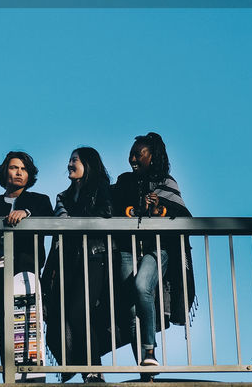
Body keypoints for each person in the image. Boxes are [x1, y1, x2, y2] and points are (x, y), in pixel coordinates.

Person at [109, 132, 195, 369]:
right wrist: (137, 210)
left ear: (153, 156)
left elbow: (184, 215)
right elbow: (114, 209)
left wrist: (160, 210)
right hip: (127, 248)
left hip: (159, 248)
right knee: (130, 307)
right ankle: (145, 366)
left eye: (138, 153)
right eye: (131, 153)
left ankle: (149, 349)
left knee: (141, 285)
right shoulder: (124, 181)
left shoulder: (167, 182)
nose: (132, 158)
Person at [42, 148, 113, 382]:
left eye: (75, 160)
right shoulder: (62, 196)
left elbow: (105, 216)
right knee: (68, 315)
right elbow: (61, 226)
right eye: (70, 159)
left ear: (88, 164)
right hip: (68, 261)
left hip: (95, 256)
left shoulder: (102, 189)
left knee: (80, 311)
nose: (70, 164)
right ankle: (87, 371)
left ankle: (94, 370)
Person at [0, 151, 53, 376]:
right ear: (5, 172)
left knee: (30, 325)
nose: (19, 172)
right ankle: (9, 377)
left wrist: (26, 212)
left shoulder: (39, 200)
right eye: (14, 167)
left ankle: (32, 377)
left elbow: (48, 217)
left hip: (25, 273)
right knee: (5, 328)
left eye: (23, 168)